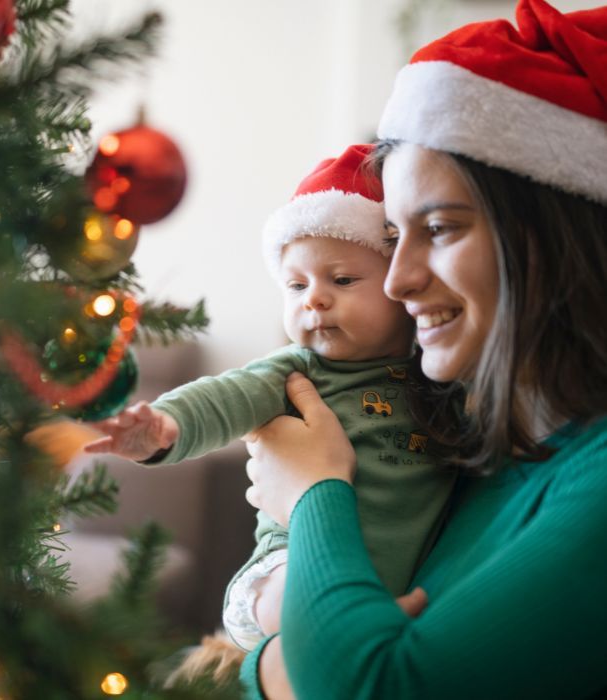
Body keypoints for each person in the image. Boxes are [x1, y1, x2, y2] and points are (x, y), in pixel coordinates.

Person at [239, 0, 607, 697]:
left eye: (438, 228)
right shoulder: (469, 448)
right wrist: (272, 643)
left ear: (558, 233)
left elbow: (364, 685)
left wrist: (317, 490)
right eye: (391, 240)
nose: (400, 281)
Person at [86, 144, 456, 652]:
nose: (314, 299)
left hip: (405, 577)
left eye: (342, 280)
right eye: (296, 285)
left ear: (400, 285)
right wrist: (164, 426)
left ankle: (351, 633)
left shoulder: (438, 377)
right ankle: (330, 627)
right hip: (292, 561)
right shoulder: (296, 371)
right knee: (287, 593)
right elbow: (222, 398)